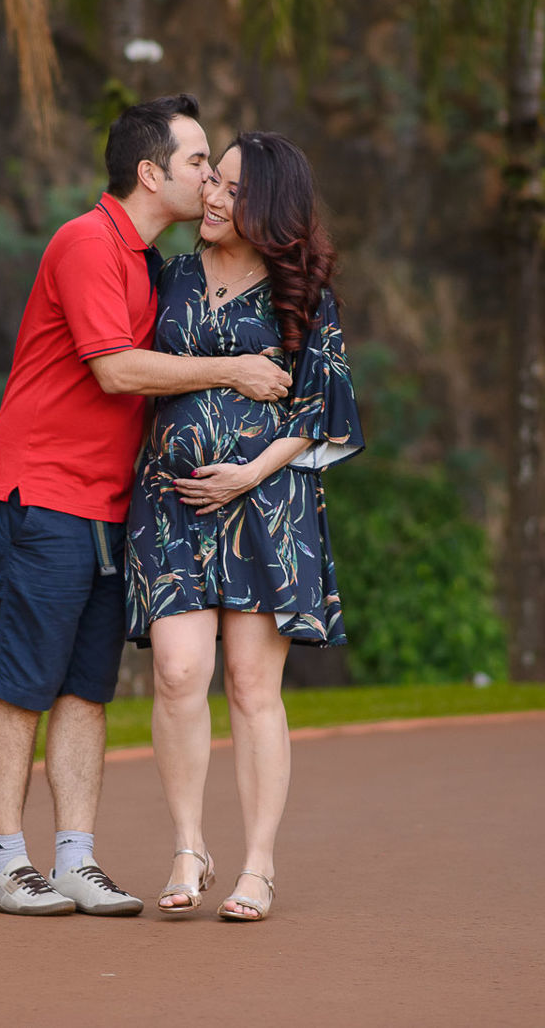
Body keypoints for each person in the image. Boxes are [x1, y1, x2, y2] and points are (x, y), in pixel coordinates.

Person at [0, 95, 295, 917]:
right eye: (198, 163)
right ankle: (4, 864)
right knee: (22, 685)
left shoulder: (153, 266)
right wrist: (233, 369)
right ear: (151, 173)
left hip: (111, 508)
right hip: (40, 494)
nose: (211, 181)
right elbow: (115, 370)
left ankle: (74, 860)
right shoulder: (86, 242)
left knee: (87, 689)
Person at [124, 130, 363, 922]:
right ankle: (189, 845)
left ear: (268, 203)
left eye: (232, 187)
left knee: (253, 685)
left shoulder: (304, 293)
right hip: (171, 502)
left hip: (266, 506)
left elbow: (322, 408)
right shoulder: (168, 277)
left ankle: (258, 864)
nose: (213, 196)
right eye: (212, 181)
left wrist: (250, 473)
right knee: (176, 673)